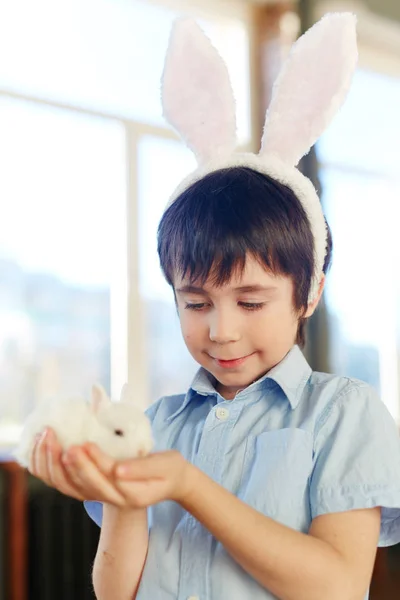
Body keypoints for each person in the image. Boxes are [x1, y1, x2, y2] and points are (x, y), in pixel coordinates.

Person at [29, 13, 400, 600]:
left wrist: (189, 486)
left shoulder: (343, 415)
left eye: (251, 301)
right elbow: (113, 590)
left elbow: (335, 586)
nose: (221, 330)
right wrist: (126, 500)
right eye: (195, 302)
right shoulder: (160, 423)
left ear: (310, 293)